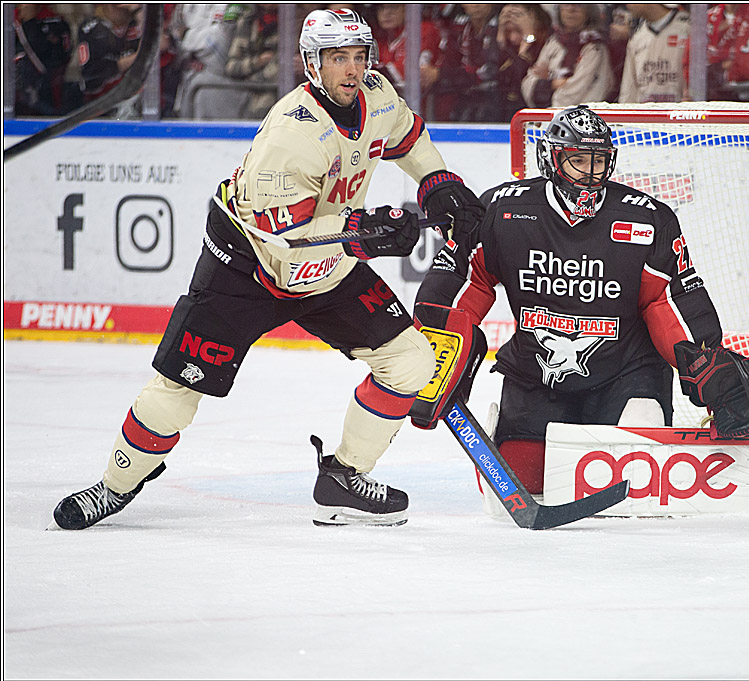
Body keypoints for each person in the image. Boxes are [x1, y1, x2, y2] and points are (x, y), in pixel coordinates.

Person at [51, 9, 484, 531]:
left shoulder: (377, 95)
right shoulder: (290, 134)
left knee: (411, 361)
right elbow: (286, 236)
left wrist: (436, 180)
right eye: (336, 58)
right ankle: (113, 486)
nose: (351, 69)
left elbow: (407, 138)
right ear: (311, 64)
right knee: (176, 388)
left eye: (358, 56)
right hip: (248, 267)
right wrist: (363, 230)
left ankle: (344, 476)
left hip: (326, 266)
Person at [415, 105, 724, 495]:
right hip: (537, 377)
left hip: (626, 375)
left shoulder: (648, 219)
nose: (591, 174)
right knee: (521, 481)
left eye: (599, 161)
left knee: (638, 479)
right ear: (551, 158)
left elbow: (667, 300)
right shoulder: (502, 210)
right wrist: (438, 347)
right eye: (578, 161)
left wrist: (704, 360)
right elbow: (467, 282)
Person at [521, 4, 613, 108]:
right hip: (546, 115)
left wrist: (547, 84)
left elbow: (578, 89)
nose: (571, 9)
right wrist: (552, 83)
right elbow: (528, 84)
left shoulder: (595, 47)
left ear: (589, 11)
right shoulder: (554, 42)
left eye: (579, 5)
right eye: (565, 4)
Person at [618, 3, 691, 104]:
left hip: (680, 115)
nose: (627, 4)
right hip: (646, 116)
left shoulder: (688, 29)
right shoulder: (637, 37)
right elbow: (629, 90)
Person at [77, 3, 142, 115]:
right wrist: (137, 57)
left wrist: (137, 10)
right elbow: (93, 72)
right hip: (100, 106)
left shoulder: (136, 23)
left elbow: (160, 45)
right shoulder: (92, 27)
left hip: (135, 103)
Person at [223, 3, 280, 120]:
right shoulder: (247, 21)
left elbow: (278, 73)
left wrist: (250, 77)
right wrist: (257, 62)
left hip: (276, 98)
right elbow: (231, 67)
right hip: (245, 94)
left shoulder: (293, 22)